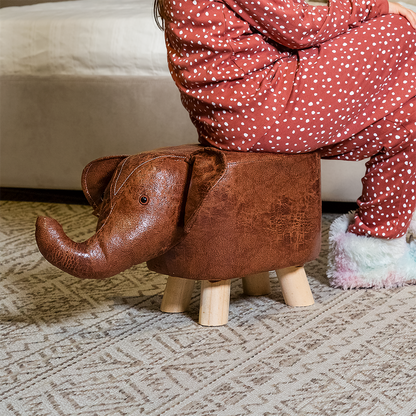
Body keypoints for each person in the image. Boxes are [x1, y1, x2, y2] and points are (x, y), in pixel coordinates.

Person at [154, 0, 416, 288]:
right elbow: (301, 26)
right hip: (261, 109)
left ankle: (377, 248)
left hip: (231, 122)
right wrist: (372, 6)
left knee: (407, 120)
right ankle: (372, 252)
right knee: (400, 30)